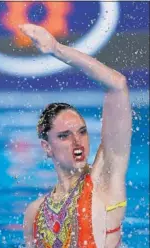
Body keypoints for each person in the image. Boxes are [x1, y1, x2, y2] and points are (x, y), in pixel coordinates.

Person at [20, 24, 132, 247]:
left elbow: (117, 85)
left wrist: (56, 49)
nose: (77, 141)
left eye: (82, 131)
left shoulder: (105, 179)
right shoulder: (35, 213)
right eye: (64, 136)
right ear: (46, 147)